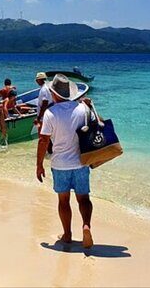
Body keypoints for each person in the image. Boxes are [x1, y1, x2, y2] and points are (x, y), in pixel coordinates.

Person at [35, 73, 94, 249]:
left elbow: (43, 140)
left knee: (63, 201)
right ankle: (86, 226)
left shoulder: (50, 113)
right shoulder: (82, 108)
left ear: (53, 93)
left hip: (60, 164)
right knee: (83, 199)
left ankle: (67, 234)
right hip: (81, 162)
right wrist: (89, 106)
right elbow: (97, 125)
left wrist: (39, 165)